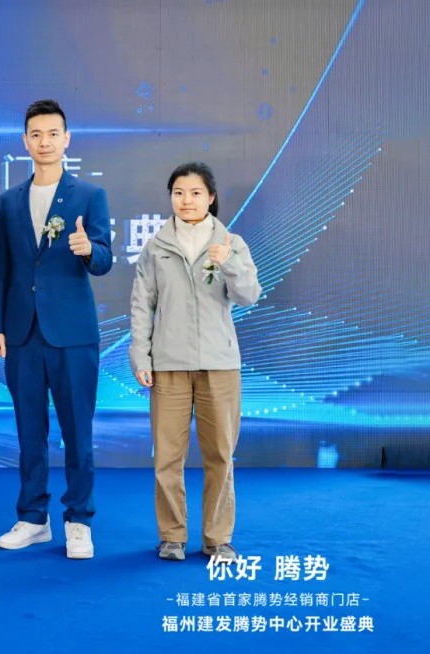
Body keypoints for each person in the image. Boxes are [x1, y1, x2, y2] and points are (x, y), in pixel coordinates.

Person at [0, 99, 112, 559]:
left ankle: (79, 520)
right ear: (25, 141)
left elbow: (104, 259)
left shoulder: (89, 195)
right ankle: (32, 518)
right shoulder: (10, 200)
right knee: (29, 430)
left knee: (78, 431)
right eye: (36, 134)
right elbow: (1, 269)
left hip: (73, 334)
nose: (44, 142)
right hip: (22, 332)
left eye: (53, 134)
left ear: (67, 140)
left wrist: (87, 249)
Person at [129, 161, 261, 562]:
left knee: (220, 455)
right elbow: (142, 306)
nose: (186, 201)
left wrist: (229, 262)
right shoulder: (156, 247)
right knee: (167, 457)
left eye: (195, 193)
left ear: (211, 197)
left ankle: (217, 538)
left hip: (219, 364)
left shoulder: (231, 243)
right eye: (179, 193)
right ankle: (172, 536)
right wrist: (141, 356)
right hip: (168, 364)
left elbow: (249, 295)